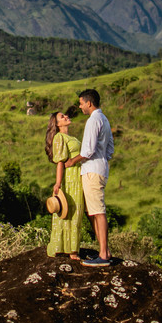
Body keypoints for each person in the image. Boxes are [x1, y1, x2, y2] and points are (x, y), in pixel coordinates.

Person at [64, 88, 114, 266]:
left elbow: (88, 151)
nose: (80, 106)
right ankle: (104, 251)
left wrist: (72, 161)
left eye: (81, 103)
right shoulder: (104, 119)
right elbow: (110, 150)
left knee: (98, 211)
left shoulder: (93, 120)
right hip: (100, 168)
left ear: (89, 103)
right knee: (91, 210)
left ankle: (103, 254)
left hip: (92, 169)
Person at [44, 107, 84, 259]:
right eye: (62, 116)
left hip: (77, 176)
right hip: (69, 178)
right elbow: (60, 162)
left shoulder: (71, 138)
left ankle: (71, 247)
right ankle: (70, 250)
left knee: (76, 212)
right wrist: (58, 183)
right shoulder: (59, 137)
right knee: (70, 212)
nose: (66, 116)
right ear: (57, 124)